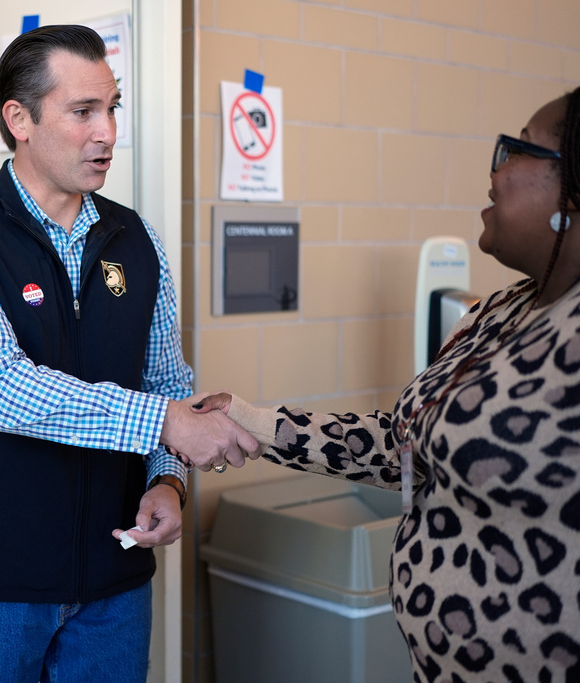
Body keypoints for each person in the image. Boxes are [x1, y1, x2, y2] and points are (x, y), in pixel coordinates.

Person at [0, 24, 257, 682]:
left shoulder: (138, 241)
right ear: (20, 119)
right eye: (82, 111)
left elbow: (165, 380)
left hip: (112, 580)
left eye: (112, 108)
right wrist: (164, 423)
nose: (107, 133)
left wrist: (166, 479)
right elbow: (0, 389)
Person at [192, 87, 580, 682]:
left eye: (516, 149)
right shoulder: (498, 311)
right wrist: (256, 422)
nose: (494, 169)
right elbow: (401, 448)